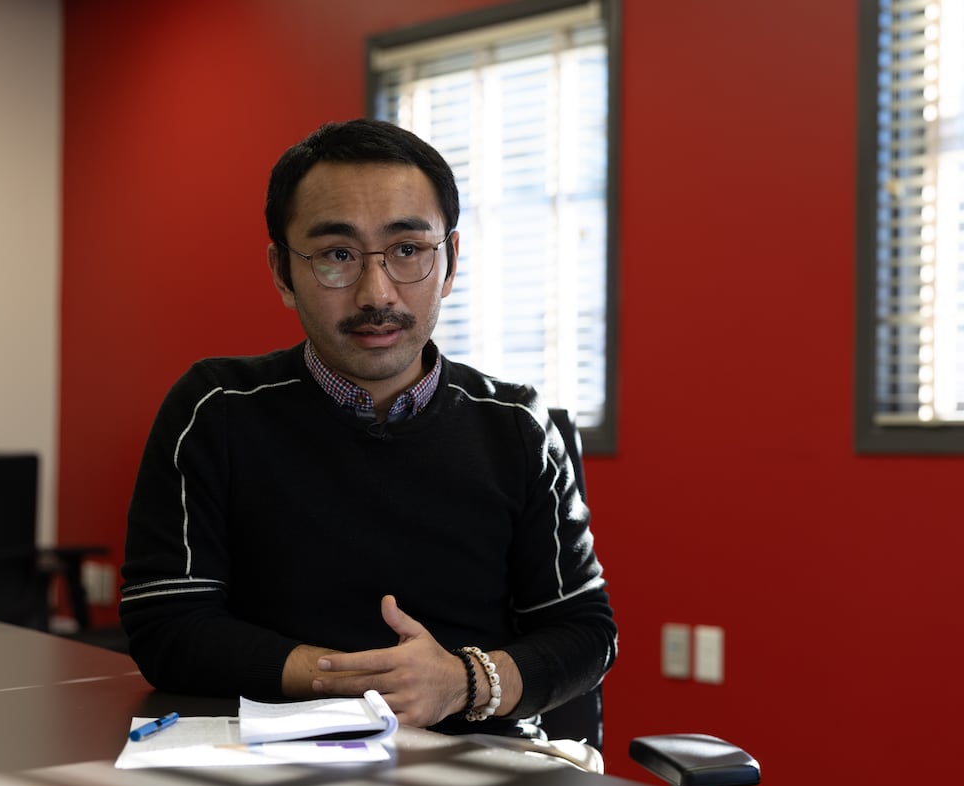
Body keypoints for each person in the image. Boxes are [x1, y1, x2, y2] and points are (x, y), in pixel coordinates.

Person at [119, 118, 616, 740]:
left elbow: (585, 634)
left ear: (450, 260)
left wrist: (457, 682)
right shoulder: (216, 410)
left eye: (407, 250)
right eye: (337, 255)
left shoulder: (517, 427)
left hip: (479, 767)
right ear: (282, 271)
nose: (376, 292)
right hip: (271, 759)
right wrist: (352, 682)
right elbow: (166, 623)